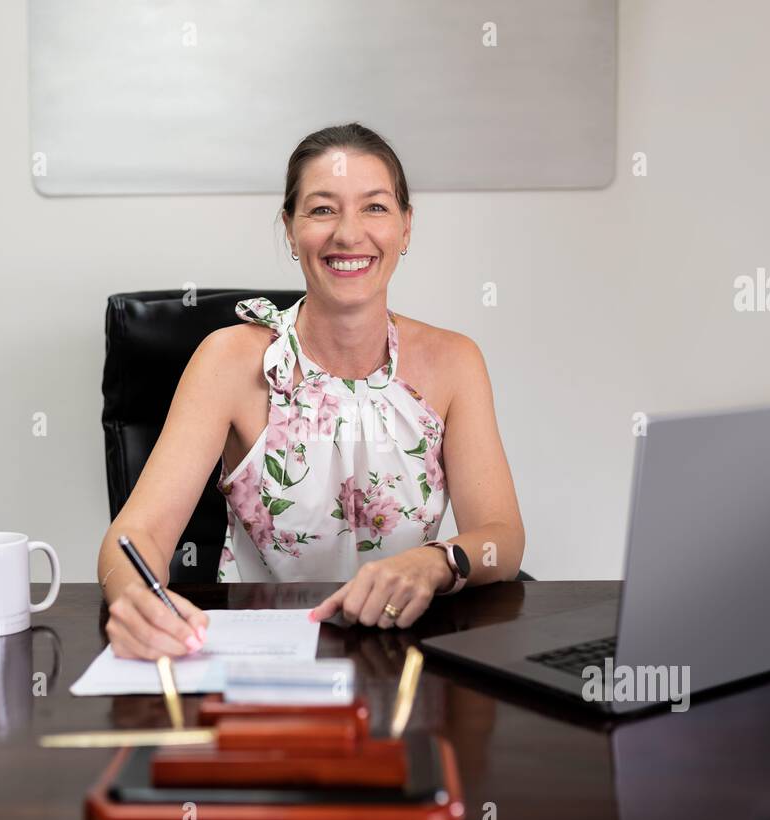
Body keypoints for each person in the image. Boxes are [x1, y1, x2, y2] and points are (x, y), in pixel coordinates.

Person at [98, 123, 524, 658]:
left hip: (408, 658)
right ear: (290, 228)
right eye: (323, 209)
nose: (349, 234)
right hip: (260, 659)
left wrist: (437, 561)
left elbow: (501, 539)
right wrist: (136, 602)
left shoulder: (456, 361)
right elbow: (136, 535)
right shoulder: (228, 360)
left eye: (375, 207)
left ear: (406, 227)